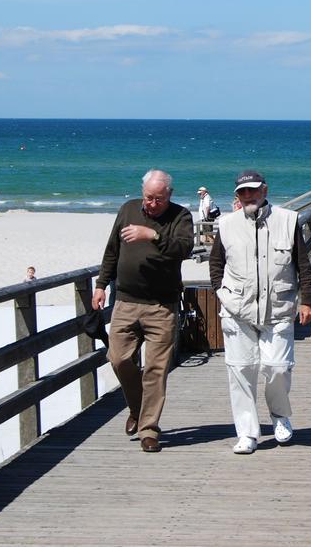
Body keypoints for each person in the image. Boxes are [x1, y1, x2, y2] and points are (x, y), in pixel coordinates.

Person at [209, 170, 311, 454]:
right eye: (243, 192)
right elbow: (216, 263)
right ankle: (247, 433)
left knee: (277, 368)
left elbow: (302, 264)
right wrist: (221, 292)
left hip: (278, 309)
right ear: (237, 196)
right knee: (240, 371)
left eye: (253, 190)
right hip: (236, 309)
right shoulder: (227, 224)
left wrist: (307, 300)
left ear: (265, 191)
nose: (248, 196)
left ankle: (280, 416)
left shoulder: (287, 220)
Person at [92, 169, 195, 452]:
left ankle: (149, 428)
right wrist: (101, 284)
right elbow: (112, 249)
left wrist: (152, 235)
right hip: (125, 300)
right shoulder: (128, 209)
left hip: (162, 305)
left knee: (156, 369)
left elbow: (184, 248)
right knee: (118, 358)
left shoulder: (180, 216)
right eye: (148, 197)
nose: (151, 203)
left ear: (169, 195)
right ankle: (137, 409)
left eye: (158, 199)